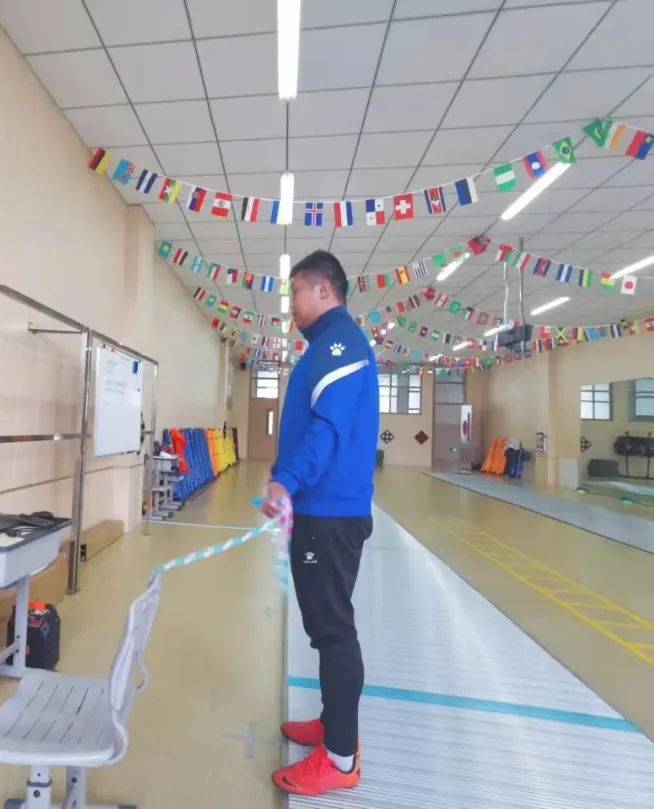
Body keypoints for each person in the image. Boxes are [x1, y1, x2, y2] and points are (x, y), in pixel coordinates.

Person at [263, 250, 378, 797]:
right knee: (325, 626)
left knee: (333, 632)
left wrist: (286, 479)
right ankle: (334, 726)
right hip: (319, 510)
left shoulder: (340, 346)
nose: (291, 305)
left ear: (323, 290)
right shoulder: (327, 346)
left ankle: (339, 759)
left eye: (295, 293)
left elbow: (328, 431)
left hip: (329, 514)